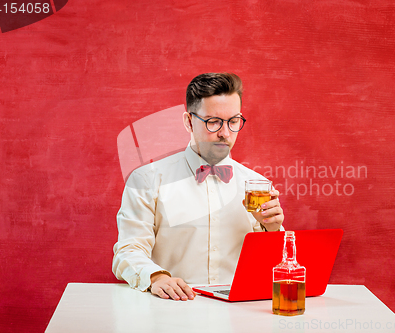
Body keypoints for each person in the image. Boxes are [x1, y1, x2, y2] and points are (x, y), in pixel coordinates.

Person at [113, 73, 284, 301]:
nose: (225, 133)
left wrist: (273, 230)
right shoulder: (146, 179)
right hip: (170, 308)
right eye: (213, 122)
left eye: (233, 121)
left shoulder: (256, 185)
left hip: (240, 312)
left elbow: (277, 269)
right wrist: (157, 278)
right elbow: (128, 251)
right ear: (188, 121)